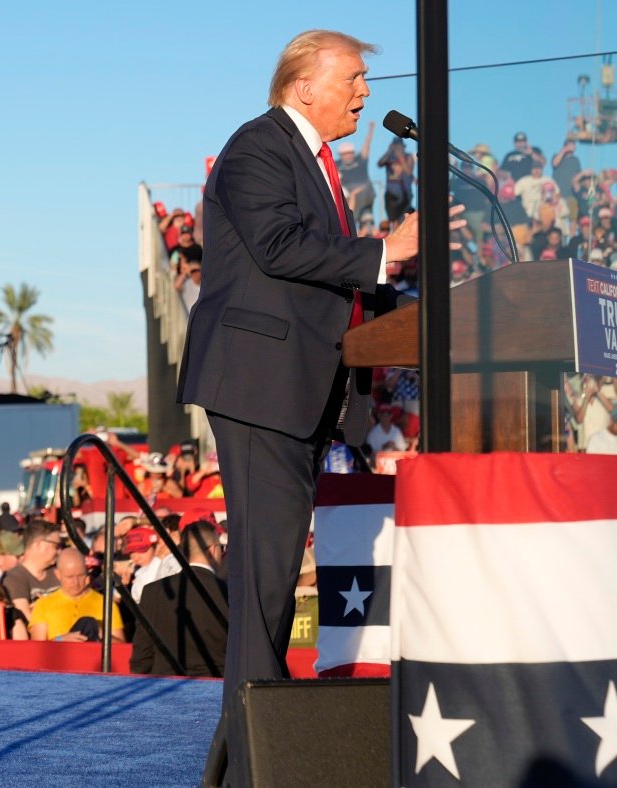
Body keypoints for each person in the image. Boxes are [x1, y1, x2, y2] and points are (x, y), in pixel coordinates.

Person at [175, 30, 459, 786]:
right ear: (306, 84)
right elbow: (276, 246)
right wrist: (380, 253)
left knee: (269, 584)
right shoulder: (258, 147)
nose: (366, 92)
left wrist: (398, 285)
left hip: (296, 389)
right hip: (257, 386)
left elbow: (320, 280)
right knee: (266, 583)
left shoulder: (317, 162)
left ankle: (242, 764)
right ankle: (251, 766)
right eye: (355, 77)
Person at [130, 519, 229, 677]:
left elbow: (141, 659)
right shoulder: (230, 594)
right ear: (213, 550)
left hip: (165, 689)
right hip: (216, 690)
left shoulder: (152, 592)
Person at [28, 549, 124, 643]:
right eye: (70, 577)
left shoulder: (106, 604)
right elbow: (37, 651)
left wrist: (101, 633)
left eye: (81, 575)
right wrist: (60, 640)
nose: (76, 582)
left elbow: (121, 649)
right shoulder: (43, 605)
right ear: (57, 574)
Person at [0, 520, 62, 619]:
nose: (59, 551)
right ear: (38, 545)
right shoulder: (14, 578)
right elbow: (29, 619)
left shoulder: (59, 572)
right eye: (56, 546)